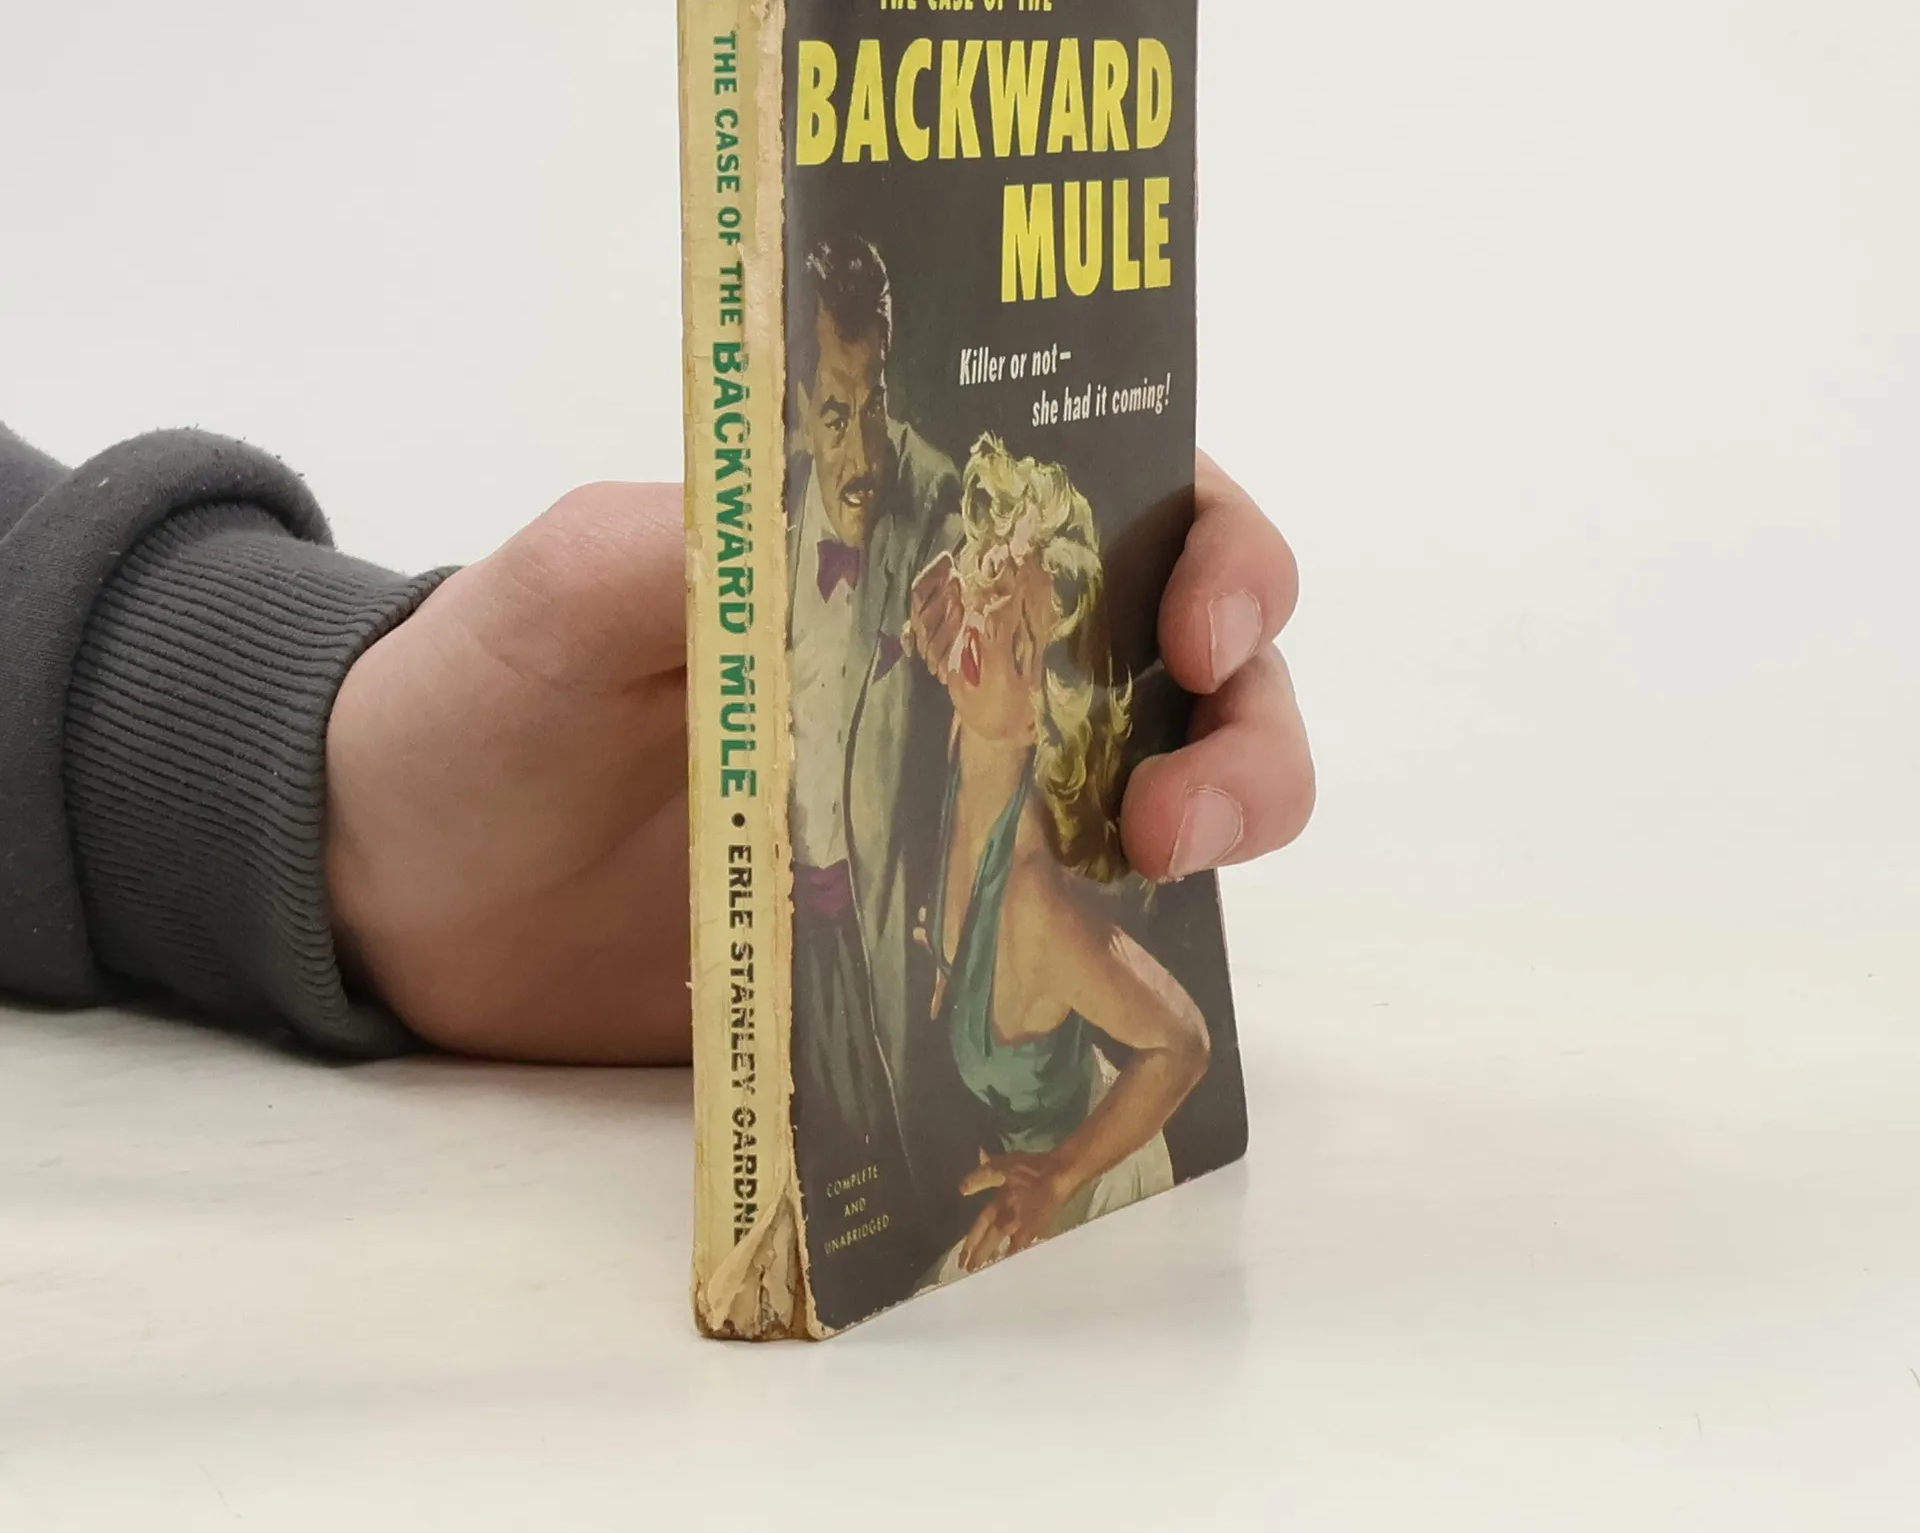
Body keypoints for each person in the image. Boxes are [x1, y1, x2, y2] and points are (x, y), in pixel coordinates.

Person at [0, 415, 1314, 1065]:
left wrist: (311, 761)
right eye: (987, 612)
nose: (976, 642)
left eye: (1021, 644)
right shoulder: (919, 828)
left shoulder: (1010, 892)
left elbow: (1177, 1048)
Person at [909, 436, 1209, 1278]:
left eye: (1020, 646)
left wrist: (1056, 1176)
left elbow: (1183, 1044)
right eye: (990, 585)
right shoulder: (958, 742)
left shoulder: (1034, 904)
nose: (983, 625)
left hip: (1100, 1187)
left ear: (1041, 715)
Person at [783, 238, 964, 1256]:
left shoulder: (935, 497)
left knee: (908, 1211)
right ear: (793, 411)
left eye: (877, 405)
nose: (863, 458)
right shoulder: (755, 514)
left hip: (887, 934)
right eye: (834, 416)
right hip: (782, 939)